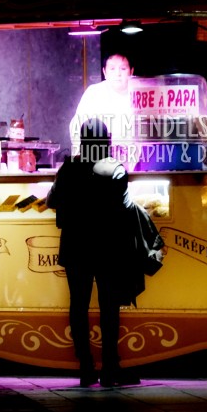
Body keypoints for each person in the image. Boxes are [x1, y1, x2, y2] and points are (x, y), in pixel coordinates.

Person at [46, 118, 142, 387]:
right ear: (107, 140)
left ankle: (86, 367)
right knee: (109, 306)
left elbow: (52, 200)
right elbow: (125, 206)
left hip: (76, 244)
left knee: (79, 304)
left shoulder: (69, 167)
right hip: (107, 245)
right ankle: (111, 367)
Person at [69, 51, 136, 163]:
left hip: (134, 161)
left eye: (123, 69)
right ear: (104, 72)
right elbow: (77, 129)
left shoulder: (140, 93)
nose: (118, 74)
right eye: (112, 69)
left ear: (131, 71)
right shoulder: (94, 93)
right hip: (98, 162)